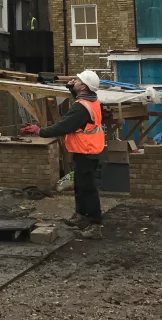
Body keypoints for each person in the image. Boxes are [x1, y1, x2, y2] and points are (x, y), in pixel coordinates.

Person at [21, 70, 105, 239]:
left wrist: (40, 131)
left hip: (86, 151)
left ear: (84, 87)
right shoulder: (90, 100)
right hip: (87, 150)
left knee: (88, 189)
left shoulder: (81, 108)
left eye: (78, 80)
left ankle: (95, 224)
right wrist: (71, 86)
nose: (74, 80)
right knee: (80, 186)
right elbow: (77, 98)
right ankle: (81, 216)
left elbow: (63, 126)